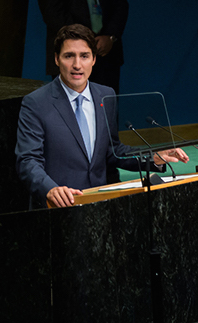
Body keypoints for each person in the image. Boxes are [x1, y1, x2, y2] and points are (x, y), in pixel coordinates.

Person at [15, 24, 188, 208]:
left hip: (101, 204)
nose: (77, 65)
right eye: (69, 56)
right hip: (61, 207)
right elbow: (28, 160)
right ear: (57, 59)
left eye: (84, 56)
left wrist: (153, 157)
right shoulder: (36, 103)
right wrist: (50, 189)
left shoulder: (106, 95)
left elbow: (113, 151)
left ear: (94, 59)